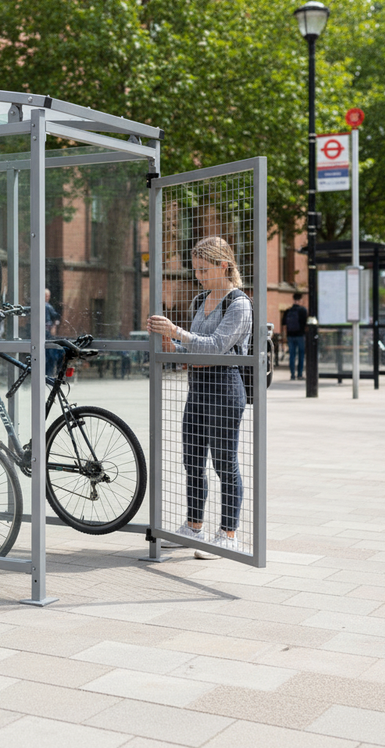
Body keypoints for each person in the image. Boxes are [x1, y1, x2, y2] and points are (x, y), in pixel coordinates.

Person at [147, 236, 251, 560]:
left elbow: (214, 347)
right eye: (196, 270)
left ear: (224, 265)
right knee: (192, 461)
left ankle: (228, 534)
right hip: (198, 387)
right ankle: (194, 527)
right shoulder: (199, 300)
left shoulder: (239, 304)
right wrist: (170, 344)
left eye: (205, 270)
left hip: (225, 387)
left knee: (224, 463)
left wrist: (178, 334)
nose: (199, 276)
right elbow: (190, 353)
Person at [282, 292, 308, 380]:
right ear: (300, 300)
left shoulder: (288, 311)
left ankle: (292, 374)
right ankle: (300, 374)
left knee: (292, 355)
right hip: (300, 335)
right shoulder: (303, 310)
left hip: (290, 336)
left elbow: (284, 325)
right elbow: (306, 324)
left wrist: (285, 337)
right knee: (301, 355)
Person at [44, 288, 63, 377]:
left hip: (48, 333)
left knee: (50, 354)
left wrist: (54, 327)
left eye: (48, 296)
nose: (47, 297)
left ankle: (49, 373)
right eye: (45, 295)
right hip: (44, 333)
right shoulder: (45, 306)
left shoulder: (48, 307)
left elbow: (56, 318)